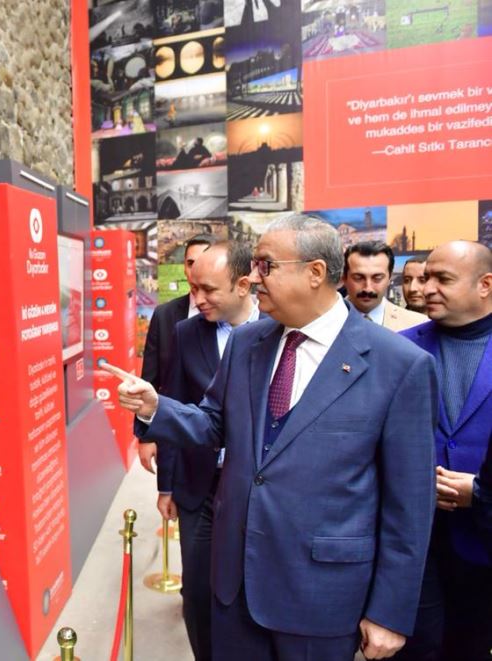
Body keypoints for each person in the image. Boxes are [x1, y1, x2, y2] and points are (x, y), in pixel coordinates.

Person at [106, 215, 437, 661]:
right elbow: (214, 424)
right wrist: (154, 407)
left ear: (315, 272)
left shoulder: (398, 365)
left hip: (320, 596)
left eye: (266, 265)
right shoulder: (248, 344)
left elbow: (409, 504)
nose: (254, 277)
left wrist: (390, 611)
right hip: (235, 584)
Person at [147, 241, 262, 661]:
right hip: (199, 486)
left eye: (208, 290)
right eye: (193, 288)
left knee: (248, 588)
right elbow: (176, 408)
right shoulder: (186, 332)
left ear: (243, 285)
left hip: (252, 486)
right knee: (197, 590)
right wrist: (167, 487)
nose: (197, 300)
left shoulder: (275, 335)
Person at [398, 241, 492, 661]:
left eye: (442, 279)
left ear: (485, 285)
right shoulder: (399, 350)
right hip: (414, 543)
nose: (424, 287)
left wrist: (482, 490)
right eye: (423, 277)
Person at [139, 234, 215, 472]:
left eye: (203, 262)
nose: (196, 270)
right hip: (177, 436)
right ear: (183, 267)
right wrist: (146, 436)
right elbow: (150, 379)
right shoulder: (165, 315)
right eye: (191, 263)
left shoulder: (236, 319)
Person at [342, 240, 426, 330]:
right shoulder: (327, 319)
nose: (368, 288)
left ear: (389, 278)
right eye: (358, 278)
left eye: (377, 278)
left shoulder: (417, 325)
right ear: (344, 278)